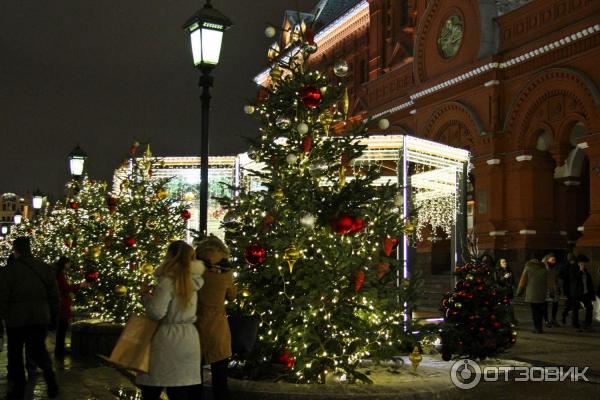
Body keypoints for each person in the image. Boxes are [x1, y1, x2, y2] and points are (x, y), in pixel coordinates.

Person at [136, 240, 206, 400]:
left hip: (168, 339)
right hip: (189, 338)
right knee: (180, 390)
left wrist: (145, 297)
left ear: (170, 256)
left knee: (152, 387)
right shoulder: (193, 281)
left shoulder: (167, 282)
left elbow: (157, 312)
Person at [0, 237, 60, 399]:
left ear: (16, 249)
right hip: (40, 316)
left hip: (16, 319)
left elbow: (3, 296)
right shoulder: (44, 268)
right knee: (38, 349)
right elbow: (54, 294)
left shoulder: (10, 271)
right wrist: (54, 314)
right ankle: (49, 373)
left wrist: (2, 315)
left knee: (15, 354)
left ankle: (18, 388)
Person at [194, 235, 237, 400]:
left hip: (196, 328)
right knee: (220, 380)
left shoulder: (195, 273)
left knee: (194, 380)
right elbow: (232, 296)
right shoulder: (225, 275)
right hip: (218, 329)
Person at [54, 256, 90, 359]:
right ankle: (59, 350)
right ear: (65, 264)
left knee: (62, 328)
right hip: (63, 304)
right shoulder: (60, 275)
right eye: (68, 263)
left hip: (64, 303)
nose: (69, 266)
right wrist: (80, 285)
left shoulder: (61, 274)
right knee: (62, 328)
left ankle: (60, 348)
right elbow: (66, 288)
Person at [516, 258, 547, 334]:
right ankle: (540, 327)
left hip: (532, 293)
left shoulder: (528, 268)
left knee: (535, 311)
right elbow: (549, 281)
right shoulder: (544, 268)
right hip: (542, 293)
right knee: (540, 311)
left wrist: (519, 292)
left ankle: (536, 328)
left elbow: (522, 281)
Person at [569, 254, 594, 332]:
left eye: (584, 263)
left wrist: (591, 294)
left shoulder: (585, 270)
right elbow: (573, 280)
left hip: (585, 293)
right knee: (575, 309)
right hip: (576, 293)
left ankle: (587, 324)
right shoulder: (573, 269)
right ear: (579, 262)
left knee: (589, 307)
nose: (584, 265)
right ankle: (575, 325)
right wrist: (580, 271)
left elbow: (588, 282)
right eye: (582, 263)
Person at [495, 258, 517, 324]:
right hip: (502, 290)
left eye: (505, 261)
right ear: (500, 263)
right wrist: (504, 277)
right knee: (503, 305)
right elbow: (497, 281)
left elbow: (512, 280)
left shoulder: (509, 270)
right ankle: (504, 319)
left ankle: (511, 319)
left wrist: (513, 285)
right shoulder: (497, 271)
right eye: (503, 262)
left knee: (510, 305)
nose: (505, 263)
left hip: (509, 290)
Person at [543, 253, 561, 327]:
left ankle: (553, 319)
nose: (554, 261)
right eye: (552, 260)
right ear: (548, 260)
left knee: (555, 304)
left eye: (554, 260)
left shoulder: (554, 268)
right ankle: (546, 320)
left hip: (554, 288)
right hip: (546, 289)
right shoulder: (544, 267)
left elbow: (556, 278)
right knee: (545, 305)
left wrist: (558, 288)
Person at [559, 253, 577, 324]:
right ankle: (565, 315)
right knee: (571, 303)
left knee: (572, 304)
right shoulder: (566, 266)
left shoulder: (569, 265)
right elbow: (562, 276)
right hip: (569, 287)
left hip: (571, 287)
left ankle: (565, 315)